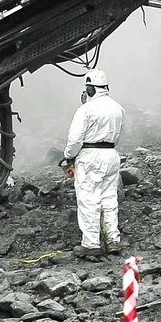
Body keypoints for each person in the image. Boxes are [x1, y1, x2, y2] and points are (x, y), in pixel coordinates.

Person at [60, 69, 124, 258]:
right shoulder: (118, 108)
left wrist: (68, 156)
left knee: (89, 199)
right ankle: (113, 240)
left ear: (89, 88)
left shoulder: (86, 109)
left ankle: (91, 244)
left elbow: (75, 138)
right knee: (109, 199)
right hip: (111, 154)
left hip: (90, 155)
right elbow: (119, 133)